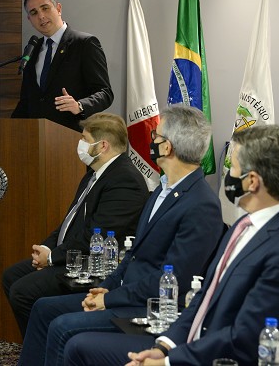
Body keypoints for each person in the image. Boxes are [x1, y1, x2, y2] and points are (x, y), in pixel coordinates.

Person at [64, 124, 279, 366]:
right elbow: (205, 296)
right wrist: (164, 346)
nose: (229, 176)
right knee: (80, 347)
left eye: (233, 168)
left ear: (252, 181)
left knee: (79, 345)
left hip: (218, 358)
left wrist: (169, 362)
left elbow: (247, 336)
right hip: (191, 343)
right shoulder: (244, 225)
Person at [18, 104, 225, 366]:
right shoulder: (161, 190)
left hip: (148, 308)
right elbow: (134, 254)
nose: (151, 141)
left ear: (167, 147)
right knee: (43, 308)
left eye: (155, 136)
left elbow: (173, 279)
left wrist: (109, 299)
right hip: (125, 293)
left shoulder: (201, 204)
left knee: (62, 327)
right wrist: (108, 285)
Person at [2, 113, 150, 338]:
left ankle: (46, 347)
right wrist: (46, 249)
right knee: (12, 276)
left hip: (93, 265)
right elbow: (69, 222)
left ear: (102, 145)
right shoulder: (93, 174)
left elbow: (96, 237)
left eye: (84, 139)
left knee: (23, 292)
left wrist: (52, 259)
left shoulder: (125, 180)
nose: (80, 144)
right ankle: (38, 344)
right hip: (71, 255)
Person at [11, 0, 114, 132]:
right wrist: (8, 131)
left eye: (45, 8)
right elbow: (26, 102)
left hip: (70, 135)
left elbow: (105, 93)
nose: (41, 16)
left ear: (58, 8)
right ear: (29, 19)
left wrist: (79, 105)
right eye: (34, 13)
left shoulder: (84, 44)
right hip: (35, 137)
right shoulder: (32, 50)